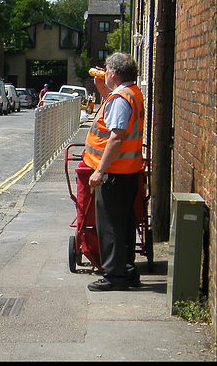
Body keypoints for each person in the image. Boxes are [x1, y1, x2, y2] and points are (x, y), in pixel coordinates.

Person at [82, 52, 145, 291]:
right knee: (124, 223)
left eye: (107, 70)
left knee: (109, 225)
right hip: (128, 171)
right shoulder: (131, 93)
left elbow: (116, 137)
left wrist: (99, 171)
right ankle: (126, 270)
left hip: (114, 173)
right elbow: (118, 115)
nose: (104, 72)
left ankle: (114, 276)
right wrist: (102, 89)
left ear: (115, 74)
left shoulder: (120, 98)